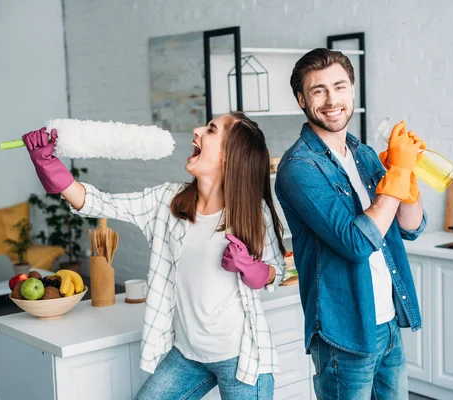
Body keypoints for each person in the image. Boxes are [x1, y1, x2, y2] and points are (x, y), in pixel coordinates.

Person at [22, 111, 286, 400]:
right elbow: (99, 202)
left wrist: (251, 268)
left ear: (229, 156)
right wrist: (48, 164)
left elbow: (276, 272)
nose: (196, 130)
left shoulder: (253, 213)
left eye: (210, 130)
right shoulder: (167, 202)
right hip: (189, 354)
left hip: (241, 358)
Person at [274, 48, 427, 399]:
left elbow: (410, 226)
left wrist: (407, 175)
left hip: (388, 319)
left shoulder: (364, 155)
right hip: (343, 331)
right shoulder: (299, 168)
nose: (332, 100)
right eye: (318, 90)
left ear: (352, 92)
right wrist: (398, 175)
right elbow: (357, 243)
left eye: (340, 87)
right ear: (301, 99)